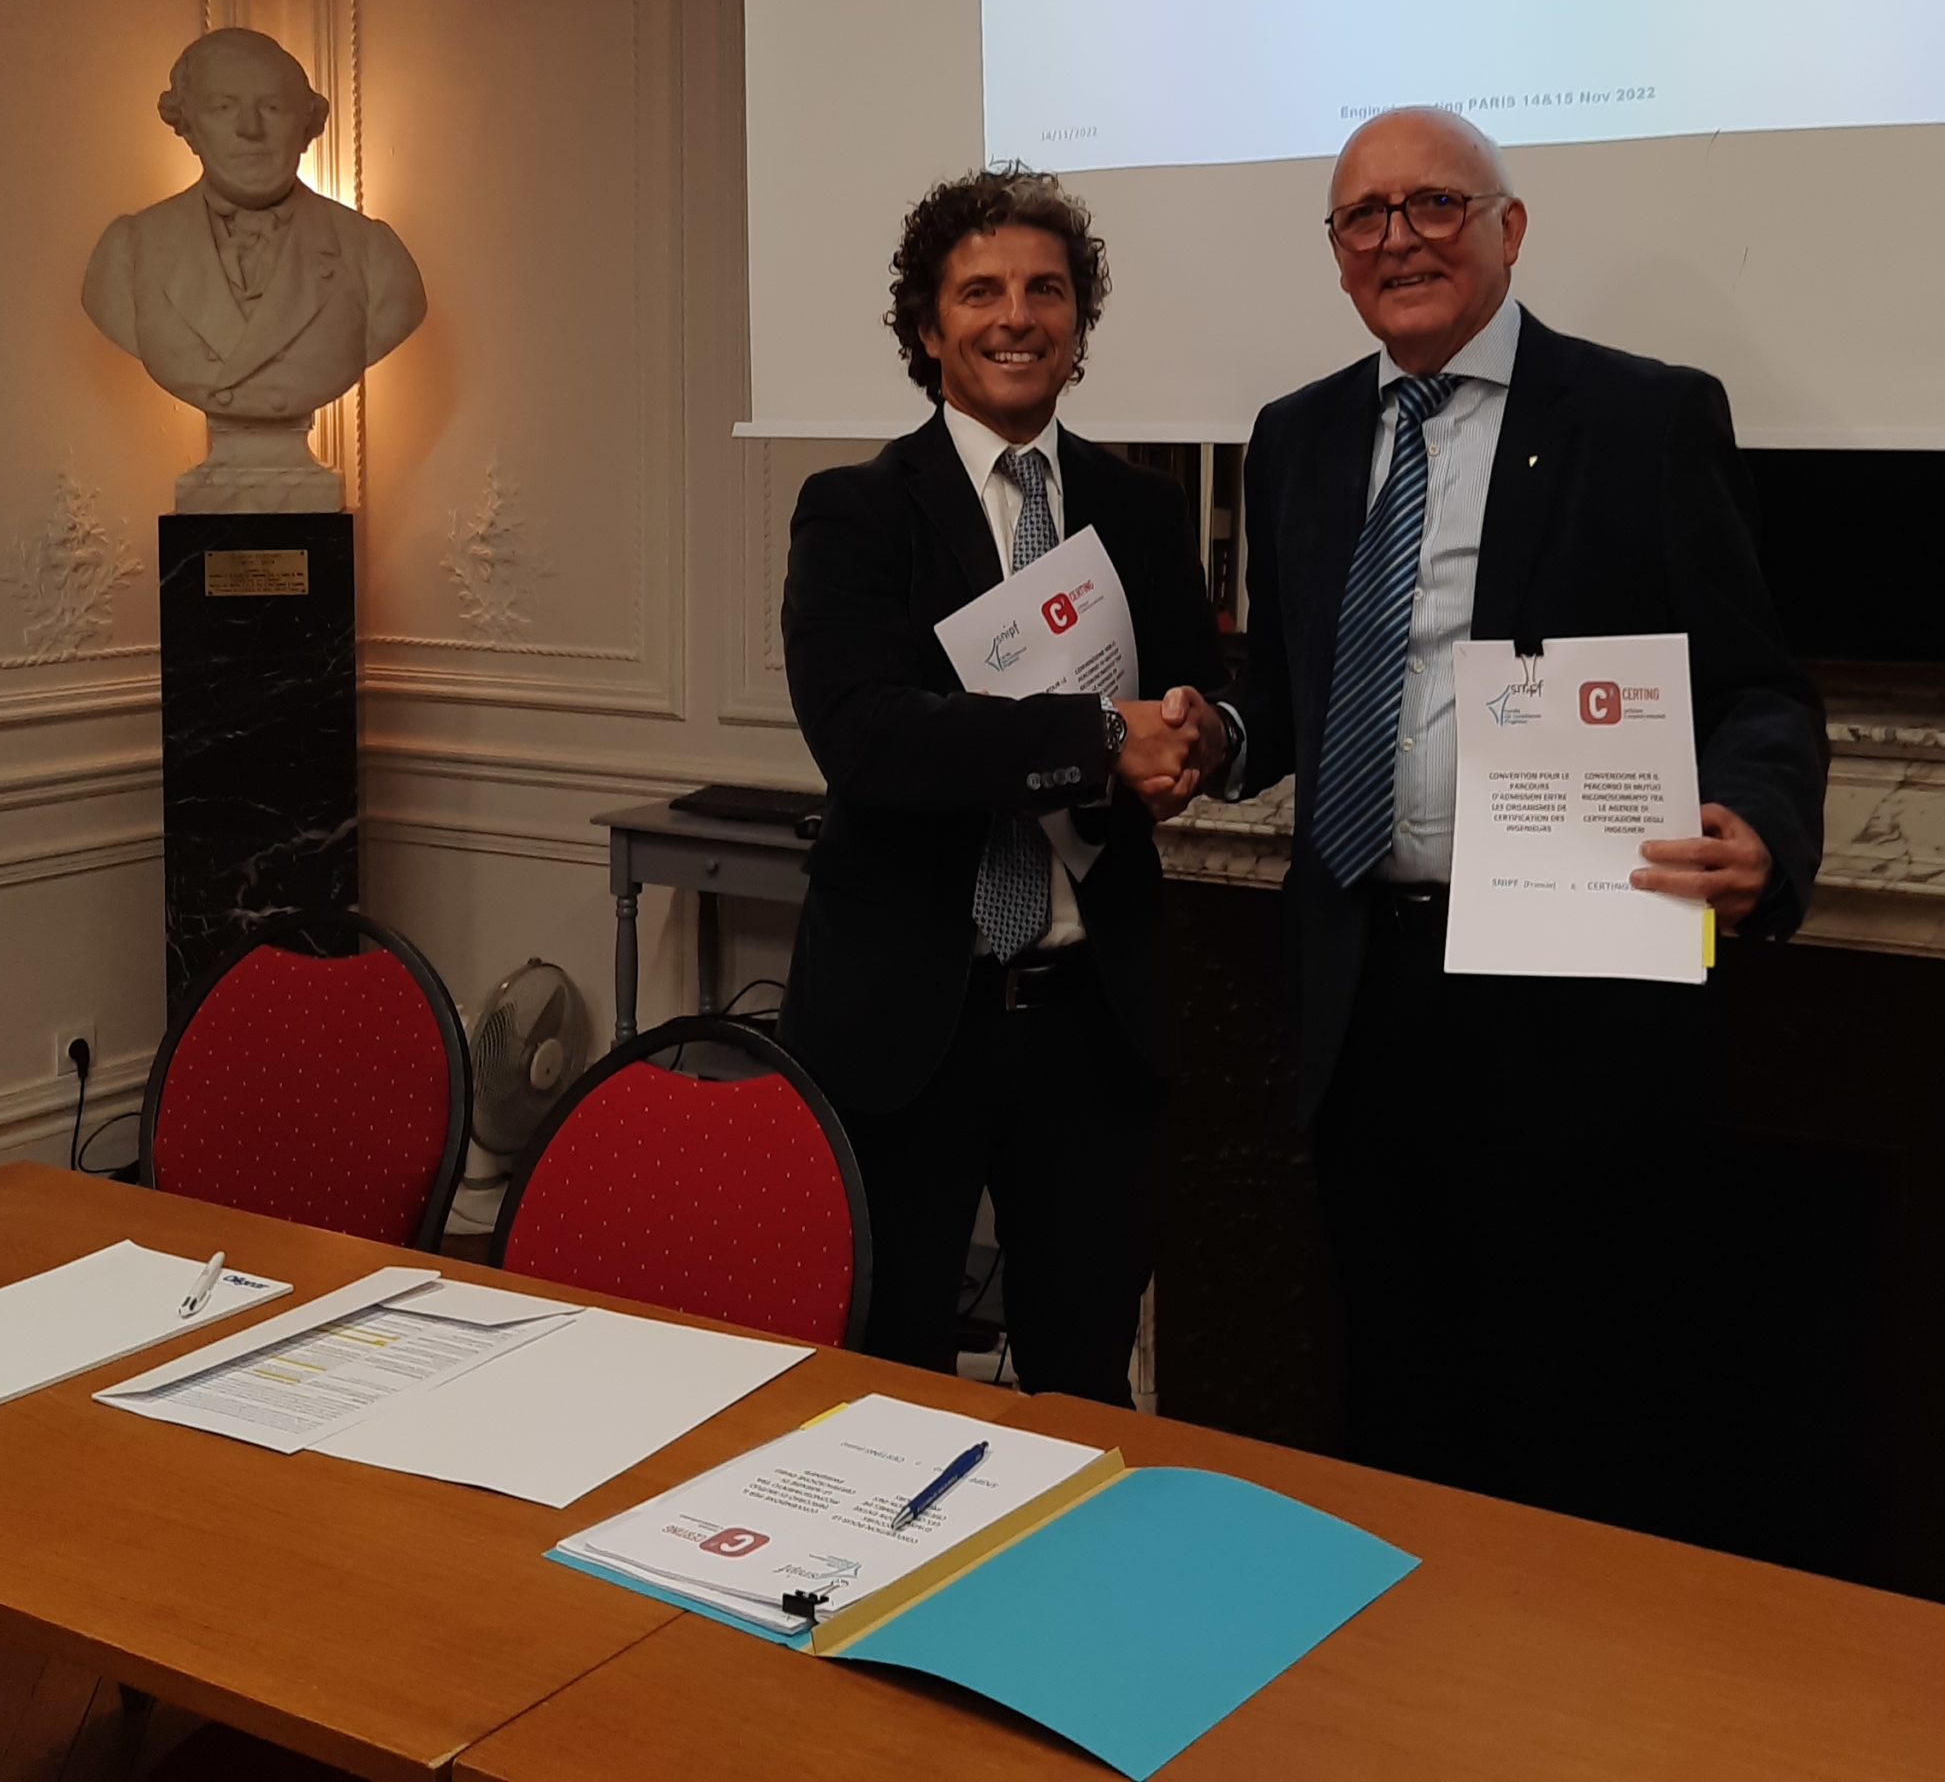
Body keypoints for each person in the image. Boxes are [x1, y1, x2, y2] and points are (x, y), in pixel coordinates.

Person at [1194, 106, 1827, 1529]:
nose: (1399, 239)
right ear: (1337, 254)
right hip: (1363, 988)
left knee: (1574, 1401)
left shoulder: (1643, 418)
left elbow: (1758, 687)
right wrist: (1218, 736)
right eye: (1365, 216)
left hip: (1569, 1003)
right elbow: (1288, 692)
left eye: (1434, 205)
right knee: (1390, 1393)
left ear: (1509, 229)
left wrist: (1759, 820)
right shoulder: (1296, 437)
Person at [778, 168, 1223, 1404]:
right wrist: (1095, 740)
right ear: (928, 329)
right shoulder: (855, 513)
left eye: (1046, 290)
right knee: (888, 1385)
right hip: (907, 1026)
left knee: (1085, 1381)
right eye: (980, 292)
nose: (1016, 317)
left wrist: (1197, 739)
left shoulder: (1142, 512)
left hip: (1090, 1024)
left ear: (1079, 323)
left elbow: (1196, 694)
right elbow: (868, 737)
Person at [81, 28, 425, 509]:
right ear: (188, 125)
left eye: (273, 107)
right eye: (223, 107)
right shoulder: (130, 253)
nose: (250, 129)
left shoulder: (373, 255)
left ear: (307, 125)